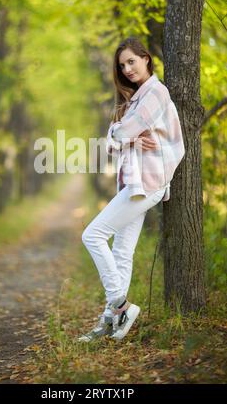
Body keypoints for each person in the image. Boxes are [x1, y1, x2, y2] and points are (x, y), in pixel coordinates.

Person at [78, 37, 185, 342]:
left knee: (93, 235)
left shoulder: (155, 93)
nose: (127, 69)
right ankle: (110, 320)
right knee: (121, 252)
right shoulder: (135, 99)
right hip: (133, 183)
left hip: (147, 183)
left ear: (146, 59)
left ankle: (121, 305)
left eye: (131, 62)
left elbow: (119, 133)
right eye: (122, 65)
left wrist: (123, 135)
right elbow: (113, 142)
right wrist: (127, 137)